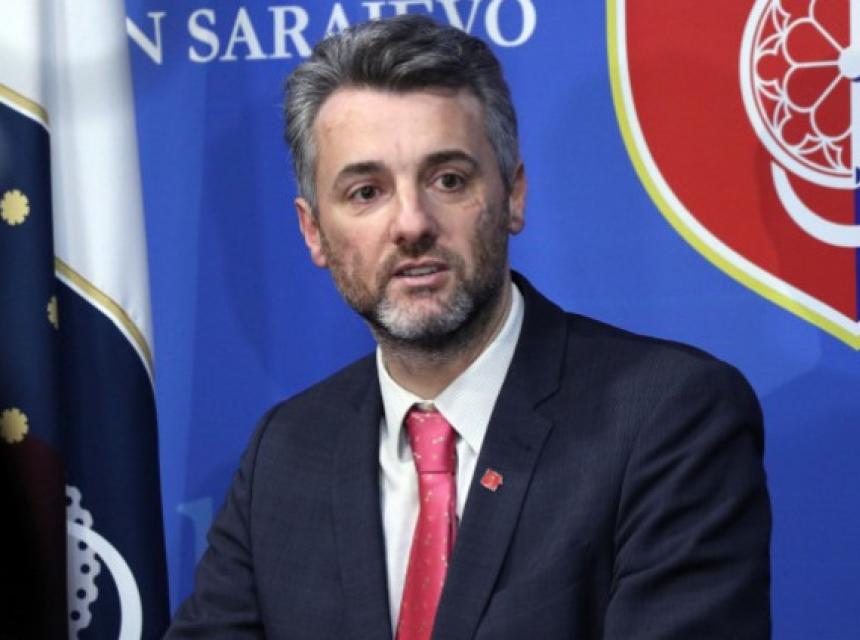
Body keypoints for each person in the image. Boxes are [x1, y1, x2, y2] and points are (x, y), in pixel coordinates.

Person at [166, 14, 770, 640]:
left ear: (513, 195)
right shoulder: (287, 450)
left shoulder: (667, 417)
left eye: (448, 180)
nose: (412, 224)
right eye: (366, 191)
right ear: (313, 231)